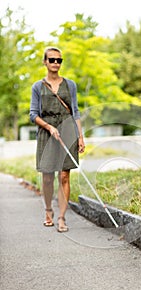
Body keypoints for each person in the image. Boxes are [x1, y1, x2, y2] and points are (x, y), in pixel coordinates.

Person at [30, 46, 85, 232]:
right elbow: (33, 115)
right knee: (47, 177)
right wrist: (48, 126)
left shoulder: (70, 85)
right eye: (52, 60)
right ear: (45, 62)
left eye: (59, 60)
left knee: (64, 175)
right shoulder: (38, 87)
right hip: (47, 133)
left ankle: (62, 217)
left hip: (67, 131)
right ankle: (48, 211)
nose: (55, 63)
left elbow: (75, 112)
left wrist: (80, 136)